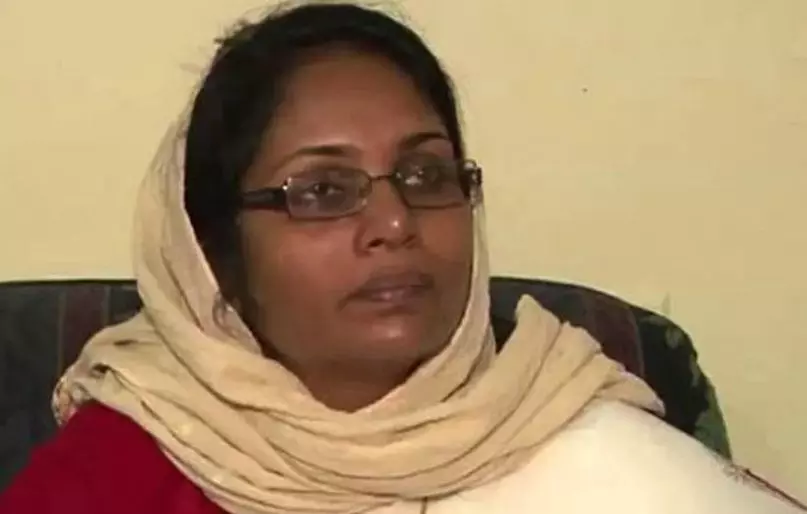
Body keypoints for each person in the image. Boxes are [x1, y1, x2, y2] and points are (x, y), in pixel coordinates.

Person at [0, 2, 803, 513]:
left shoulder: (588, 444)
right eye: (321, 190)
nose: (393, 221)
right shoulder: (116, 476)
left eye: (425, 175)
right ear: (213, 250)